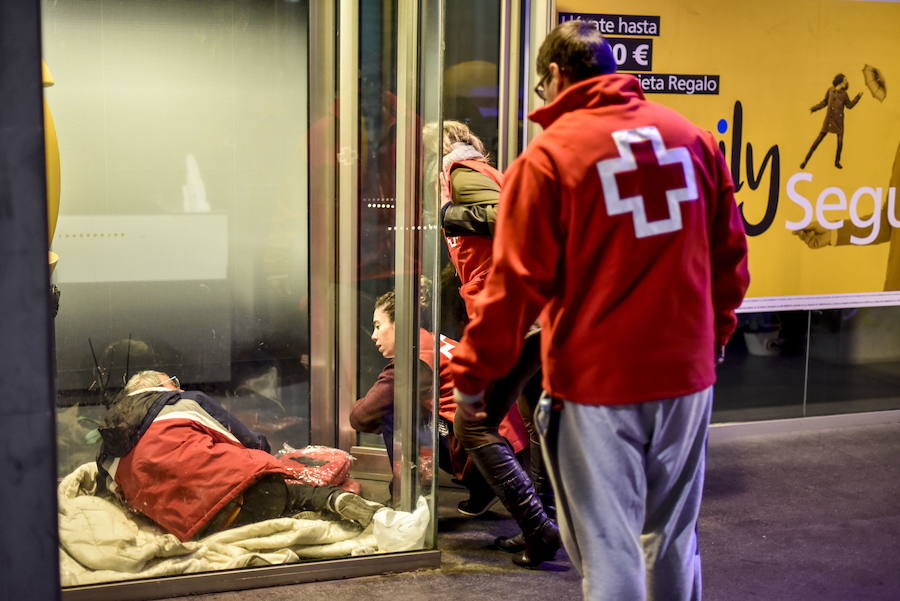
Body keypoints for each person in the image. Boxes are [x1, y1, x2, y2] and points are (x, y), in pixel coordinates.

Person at [450, 20, 749, 599]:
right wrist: (714, 339)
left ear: (557, 76)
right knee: (672, 536)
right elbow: (730, 258)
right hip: (687, 377)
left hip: (595, 384)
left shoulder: (551, 158)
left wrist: (472, 378)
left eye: (541, 89)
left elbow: (514, 289)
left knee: (609, 546)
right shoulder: (693, 139)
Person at [432, 120, 557, 565]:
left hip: (514, 311)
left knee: (475, 423)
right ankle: (544, 524)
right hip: (531, 309)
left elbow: (508, 219)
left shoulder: (460, 172)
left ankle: (539, 528)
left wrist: (450, 216)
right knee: (536, 415)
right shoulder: (481, 170)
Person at [96, 370, 383, 542]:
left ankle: (291, 517)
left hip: (198, 528)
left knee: (270, 502)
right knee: (298, 491)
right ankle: (352, 508)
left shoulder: (108, 444)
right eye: (174, 382)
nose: (179, 387)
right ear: (165, 386)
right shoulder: (183, 402)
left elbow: (115, 494)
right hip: (247, 499)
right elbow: (248, 442)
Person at [350, 291, 512, 513]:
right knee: (416, 407)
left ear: (401, 324)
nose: (373, 335)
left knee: (395, 413)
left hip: (487, 453)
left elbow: (361, 417)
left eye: (378, 326)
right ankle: (483, 488)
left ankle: (406, 496)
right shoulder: (433, 340)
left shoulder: (417, 358)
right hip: (505, 445)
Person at [800, 73, 863, 170]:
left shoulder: (844, 95)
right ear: (840, 81)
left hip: (839, 121)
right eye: (845, 80)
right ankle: (805, 160)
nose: (847, 82)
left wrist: (858, 97)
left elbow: (849, 106)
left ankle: (837, 162)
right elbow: (824, 102)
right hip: (829, 119)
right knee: (817, 141)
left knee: (840, 142)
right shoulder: (830, 90)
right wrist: (814, 108)